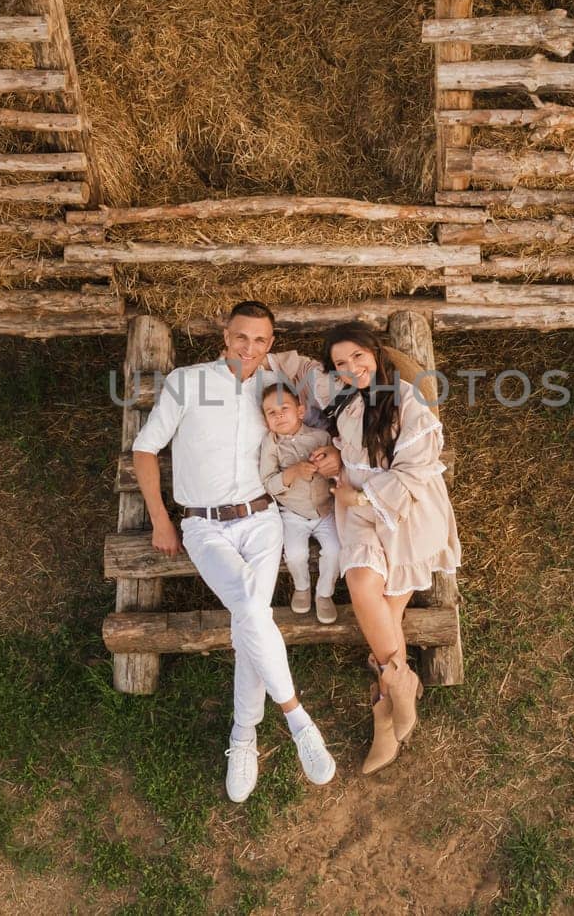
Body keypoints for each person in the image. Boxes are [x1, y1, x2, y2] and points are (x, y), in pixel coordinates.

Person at [129, 301, 336, 802]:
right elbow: (144, 448)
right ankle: (297, 719)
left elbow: (340, 393)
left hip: (264, 518)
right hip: (205, 526)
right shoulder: (188, 380)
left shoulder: (276, 389)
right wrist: (160, 518)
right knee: (250, 611)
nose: (249, 348)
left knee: (249, 615)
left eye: (261, 340)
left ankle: (243, 738)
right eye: (241, 337)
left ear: (271, 342)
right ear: (225, 334)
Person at [311, 321, 460, 775]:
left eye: (358, 356)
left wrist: (360, 496)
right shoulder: (340, 402)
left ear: (375, 353)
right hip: (356, 513)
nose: (351, 368)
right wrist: (335, 463)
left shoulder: (406, 399)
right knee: (360, 582)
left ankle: (385, 707)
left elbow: (416, 471)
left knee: (387, 614)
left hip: (404, 511)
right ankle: (403, 680)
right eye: (340, 363)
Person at [258, 382, 341, 624]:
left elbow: (337, 469)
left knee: (335, 550)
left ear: (301, 411)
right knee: (295, 553)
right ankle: (302, 587)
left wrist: (326, 465)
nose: (279, 415)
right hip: (292, 512)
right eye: (271, 412)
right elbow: (268, 483)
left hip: (326, 509)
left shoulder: (321, 437)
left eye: (284, 408)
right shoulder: (271, 445)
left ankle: (325, 594)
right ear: (265, 420)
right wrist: (293, 472)